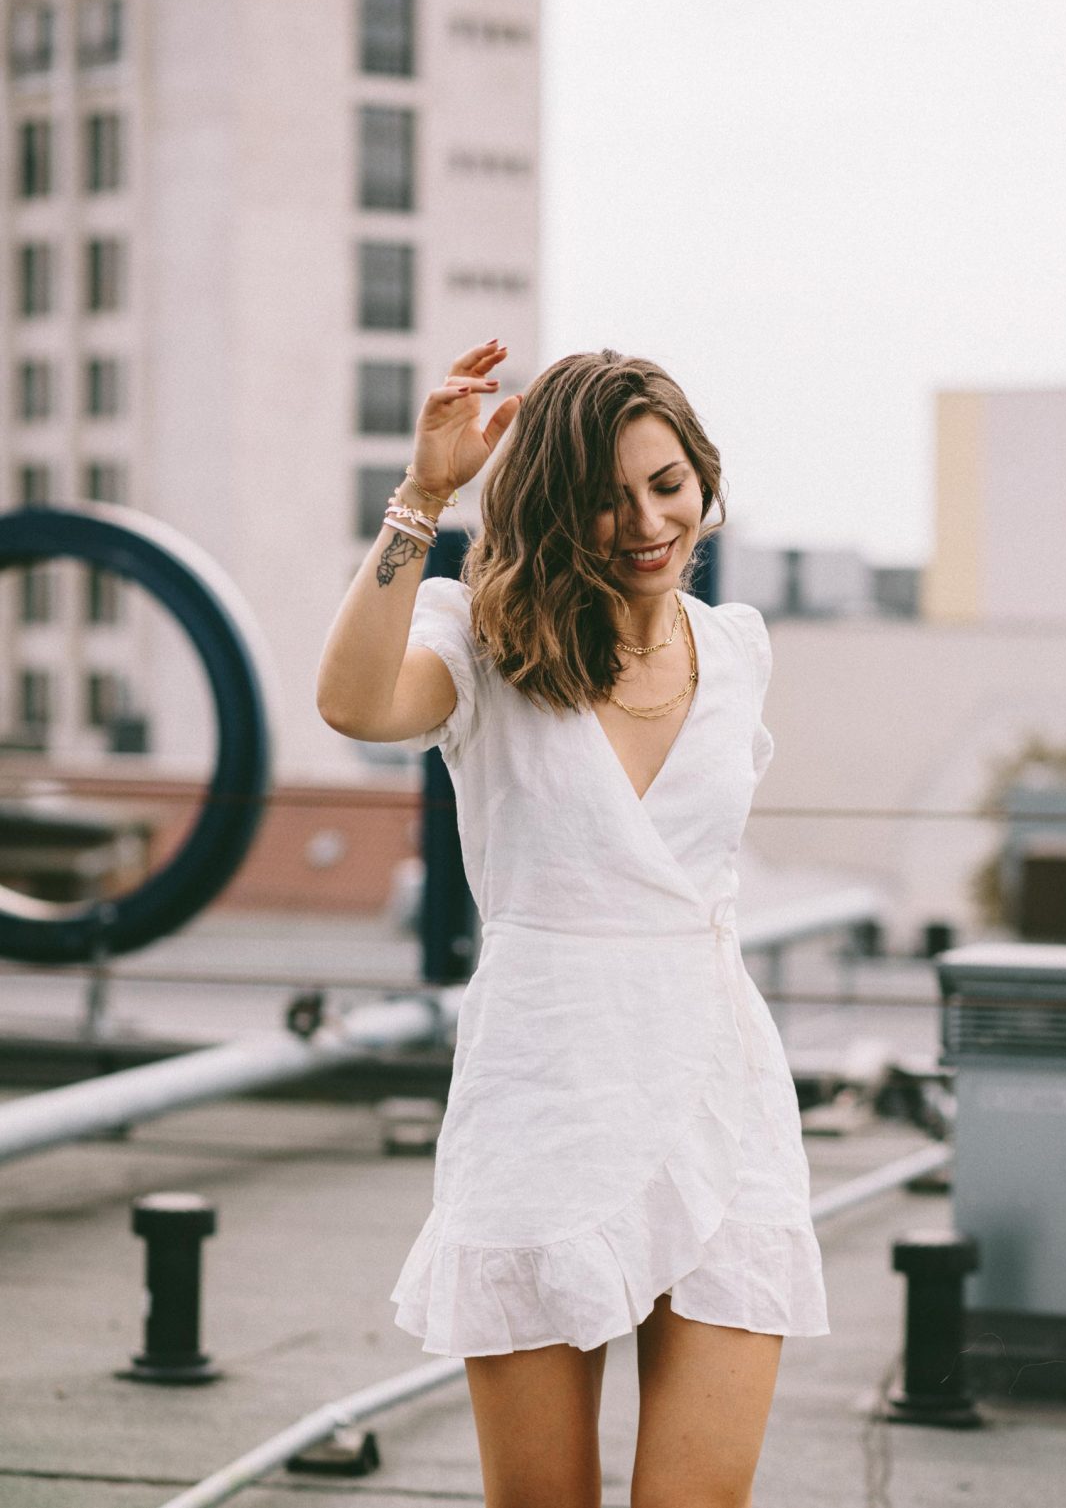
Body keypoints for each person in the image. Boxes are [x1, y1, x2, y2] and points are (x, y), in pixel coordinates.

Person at [317, 340, 829, 1507]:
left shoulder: (739, 647)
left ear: (703, 479)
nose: (645, 521)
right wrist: (424, 498)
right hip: (547, 1097)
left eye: (666, 483)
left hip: (717, 1093)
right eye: (604, 498)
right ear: (555, 507)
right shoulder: (478, 639)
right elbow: (352, 701)